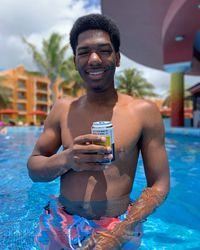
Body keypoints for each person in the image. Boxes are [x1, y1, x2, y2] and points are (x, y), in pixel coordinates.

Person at [27, 13, 170, 250]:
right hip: (61, 218)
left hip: (120, 224)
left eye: (104, 50)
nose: (94, 59)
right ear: (75, 61)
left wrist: (119, 233)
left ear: (117, 58)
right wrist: (66, 159)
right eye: (84, 52)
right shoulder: (62, 110)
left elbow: (160, 184)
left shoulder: (143, 112)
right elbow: (34, 168)